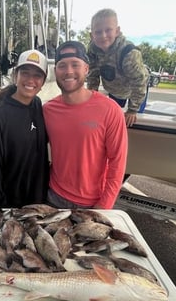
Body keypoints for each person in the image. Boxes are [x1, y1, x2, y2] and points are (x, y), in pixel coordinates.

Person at [43, 41, 128, 209]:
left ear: (86, 69)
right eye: (62, 66)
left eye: (75, 64)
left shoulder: (110, 110)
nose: (68, 71)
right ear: (55, 71)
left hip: (91, 204)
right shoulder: (48, 110)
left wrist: (104, 206)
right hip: (52, 198)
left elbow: (117, 162)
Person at [0, 49, 49, 208]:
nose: (30, 80)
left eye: (37, 75)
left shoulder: (37, 104)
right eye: (25, 73)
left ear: (43, 82)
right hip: (7, 205)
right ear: (15, 75)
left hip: (35, 203)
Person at [86, 8, 149, 127]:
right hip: (114, 90)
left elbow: (139, 82)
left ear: (117, 31)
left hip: (135, 90)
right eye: (98, 32)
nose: (103, 36)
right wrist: (91, 100)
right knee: (113, 120)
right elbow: (93, 75)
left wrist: (132, 110)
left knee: (133, 121)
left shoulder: (129, 53)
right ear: (92, 35)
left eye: (108, 30)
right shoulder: (93, 50)